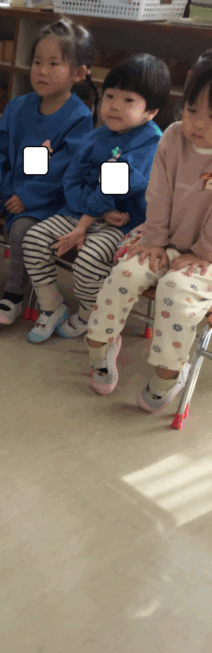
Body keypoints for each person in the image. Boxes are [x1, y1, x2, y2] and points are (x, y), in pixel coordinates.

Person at [85, 51, 212, 412]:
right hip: (163, 238)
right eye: (191, 109)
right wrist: (155, 239)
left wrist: (203, 252)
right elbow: (158, 193)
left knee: (176, 292)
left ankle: (169, 376)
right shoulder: (173, 137)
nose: (197, 123)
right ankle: (100, 347)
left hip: (207, 255)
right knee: (122, 275)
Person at [23, 54, 171, 342]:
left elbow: (115, 185)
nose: (114, 105)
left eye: (128, 100)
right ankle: (52, 306)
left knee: (89, 261)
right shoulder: (96, 136)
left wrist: (86, 223)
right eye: (110, 96)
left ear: (151, 111)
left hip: (124, 226)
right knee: (35, 239)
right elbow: (72, 181)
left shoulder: (152, 142)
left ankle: (91, 313)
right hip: (87, 213)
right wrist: (92, 214)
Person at [0, 17, 96, 325]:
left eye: (54, 63)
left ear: (78, 74)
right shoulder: (18, 106)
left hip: (46, 199)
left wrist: (28, 196)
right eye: (37, 61)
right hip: (8, 185)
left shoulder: (79, 117)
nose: (42, 70)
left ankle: (13, 295)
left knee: (22, 229)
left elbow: (66, 170)